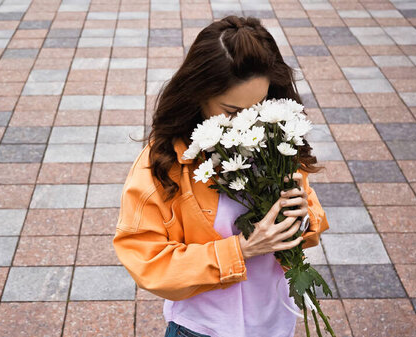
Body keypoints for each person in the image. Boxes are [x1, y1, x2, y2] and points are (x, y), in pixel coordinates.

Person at [112, 15, 330, 337]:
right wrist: (240, 250)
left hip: (275, 324)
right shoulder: (164, 164)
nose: (248, 123)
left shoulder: (274, 140)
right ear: (198, 94)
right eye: (231, 111)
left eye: (259, 105)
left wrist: (301, 218)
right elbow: (147, 261)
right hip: (202, 330)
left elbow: (309, 224)